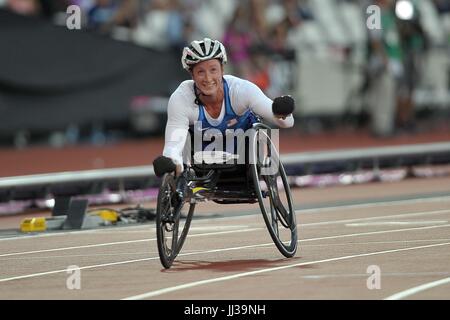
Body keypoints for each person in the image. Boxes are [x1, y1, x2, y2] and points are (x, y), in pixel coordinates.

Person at [152, 38, 295, 182]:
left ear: (222, 70)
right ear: (192, 75)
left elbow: (286, 122)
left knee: (261, 133)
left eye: (213, 70)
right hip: (202, 156)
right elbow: (174, 144)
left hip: (244, 152)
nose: (208, 78)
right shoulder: (181, 98)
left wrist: (282, 111)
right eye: (201, 72)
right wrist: (171, 162)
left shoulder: (241, 91)